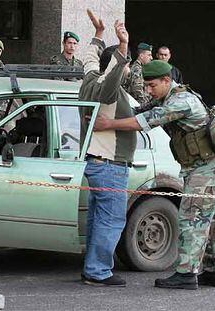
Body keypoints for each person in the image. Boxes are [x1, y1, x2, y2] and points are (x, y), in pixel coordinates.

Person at [92, 59, 215, 290]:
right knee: (208, 220)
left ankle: (186, 275)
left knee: (192, 220)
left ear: (167, 80)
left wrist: (109, 124)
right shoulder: (168, 96)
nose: (148, 90)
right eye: (146, 86)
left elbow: (145, 121)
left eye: (152, 85)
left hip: (205, 169)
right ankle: (212, 270)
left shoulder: (181, 101)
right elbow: (140, 110)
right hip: (199, 167)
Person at [79, 9, 136, 287]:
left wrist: (98, 35)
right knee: (111, 221)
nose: (129, 68)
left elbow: (89, 59)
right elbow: (113, 73)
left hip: (97, 163)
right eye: (126, 63)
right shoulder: (107, 88)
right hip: (110, 164)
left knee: (98, 220)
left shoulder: (89, 80)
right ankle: (99, 271)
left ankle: (92, 267)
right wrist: (122, 45)